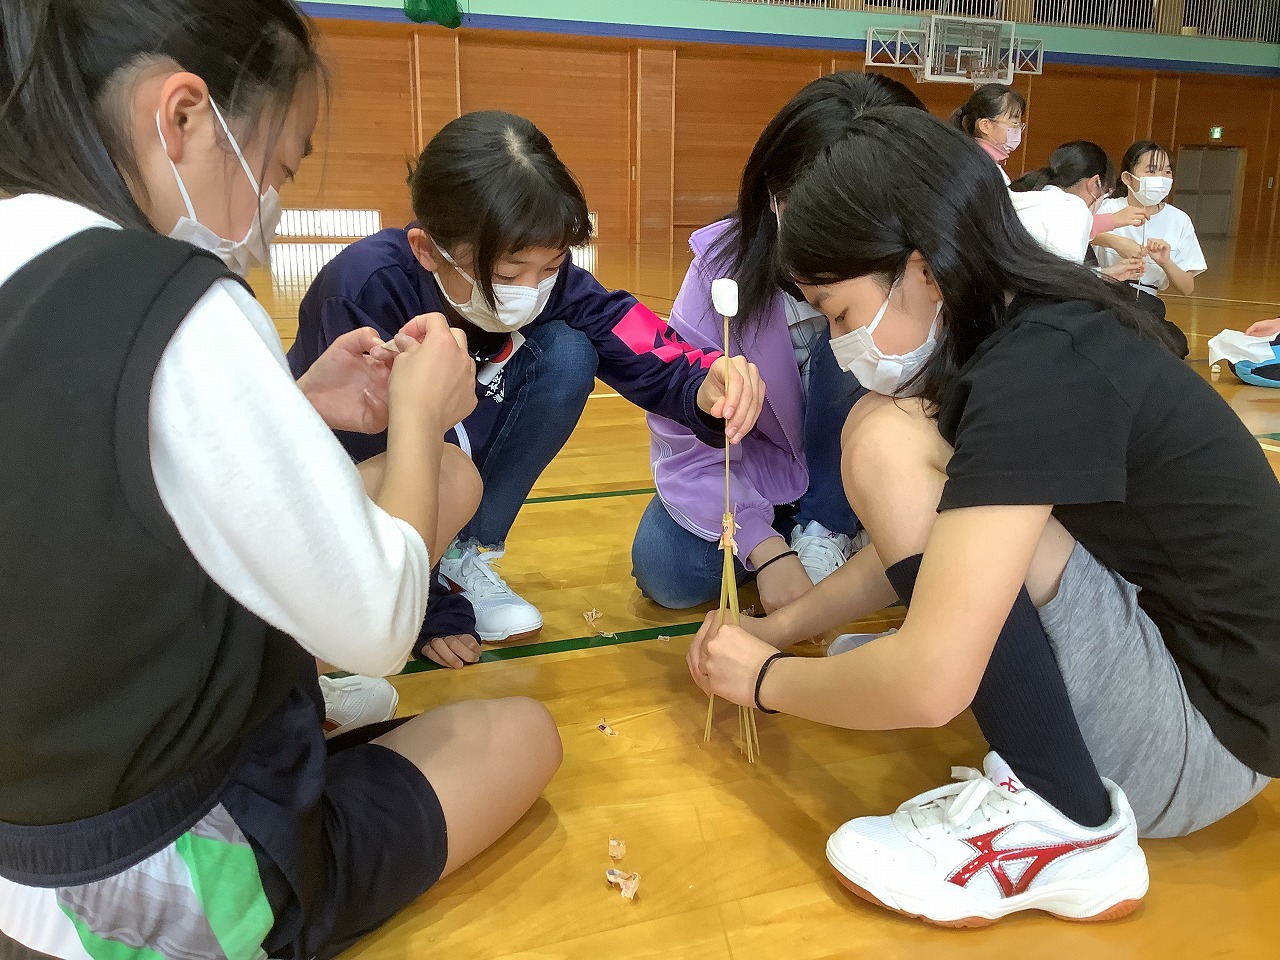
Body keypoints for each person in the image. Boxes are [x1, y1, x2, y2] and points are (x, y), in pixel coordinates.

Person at [0, 2, 564, 957]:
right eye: (277, 165)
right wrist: (425, 416)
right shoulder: (182, 299)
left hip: (30, 823)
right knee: (521, 735)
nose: (271, 201)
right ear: (182, 117)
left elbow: (93, 480)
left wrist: (295, 403)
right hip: (153, 880)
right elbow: (380, 625)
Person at [687, 107, 1278, 927]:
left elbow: (931, 685)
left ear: (922, 269)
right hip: (1207, 702)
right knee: (897, 445)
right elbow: (945, 536)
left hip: (1195, 745)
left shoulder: (1033, 372)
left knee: (883, 442)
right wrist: (783, 627)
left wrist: (760, 681)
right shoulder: (1032, 331)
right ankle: (1045, 756)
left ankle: (1074, 822)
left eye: (841, 311)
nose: (841, 340)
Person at [290, 111, 763, 665]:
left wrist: (701, 378)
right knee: (433, 466)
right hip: (344, 499)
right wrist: (424, 605)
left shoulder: (544, 280)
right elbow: (371, 459)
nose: (533, 288)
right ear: (427, 249)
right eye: (509, 275)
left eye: (553, 266)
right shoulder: (364, 290)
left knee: (568, 351)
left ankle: (468, 556)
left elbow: (624, 327)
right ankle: (425, 581)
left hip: (450, 467)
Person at [632, 72, 926, 612]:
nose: (833, 244)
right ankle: (811, 533)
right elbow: (684, 421)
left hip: (885, 472)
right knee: (669, 571)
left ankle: (835, 525)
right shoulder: (721, 272)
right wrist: (764, 548)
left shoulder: (924, 275)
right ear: (775, 196)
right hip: (763, 477)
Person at [1093, 140, 1206, 357]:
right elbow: (1079, 231)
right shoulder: (1107, 208)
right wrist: (1116, 242)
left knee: (1174, 344)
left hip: (1147, 302)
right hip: (1106, 296)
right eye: (1151, 171)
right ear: (1127, 178)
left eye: (1166, 172)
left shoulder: (1179, 220)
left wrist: (1165, 261)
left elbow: (1187, 287)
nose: (1161, 179)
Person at [1009, 140, 1145, 282]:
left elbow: (1058, 271)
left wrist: (1104, 273)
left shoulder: (1034, 196)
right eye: (1106, 191)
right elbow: (1066, 283)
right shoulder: (1074, 209)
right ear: (1094, 184)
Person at [950, 83, 1025, 184]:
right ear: (985, 125)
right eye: (1014, 123)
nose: (1017, 130)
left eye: (1019, 124)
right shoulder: (978, 168)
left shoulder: (971, 158)